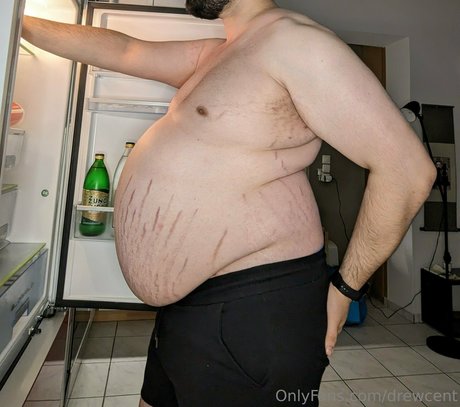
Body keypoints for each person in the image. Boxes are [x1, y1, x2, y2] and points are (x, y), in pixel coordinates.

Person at [22, 0, 436, 406]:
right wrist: (17, 23)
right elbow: (126, 50)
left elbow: (408, 170)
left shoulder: (296, 42)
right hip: (190, 307)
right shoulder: (218, 54)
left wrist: (345, 290)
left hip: (255, 308)